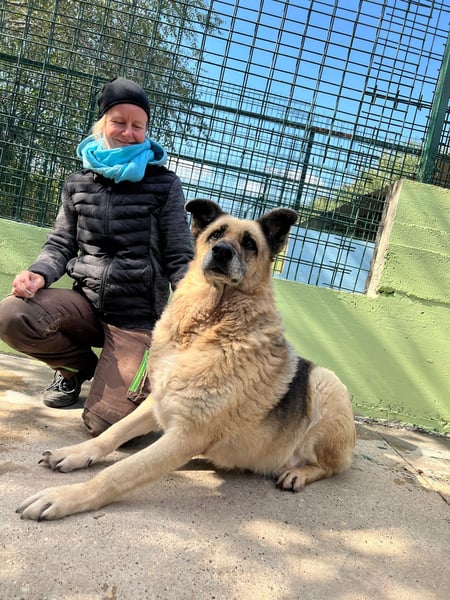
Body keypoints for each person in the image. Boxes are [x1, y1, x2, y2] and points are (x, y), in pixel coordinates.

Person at [0, 76, 194, 436]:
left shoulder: (164, 184)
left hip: (137, 319)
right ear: (102, 123)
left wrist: (192, 303)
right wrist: (38, 273)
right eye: (119, 122)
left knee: (108, 426)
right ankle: (76, 369)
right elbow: (61, 243)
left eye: (138, 125)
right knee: (12, 315)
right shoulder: (78, 183)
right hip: (85, 306)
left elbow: (180, 255)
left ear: (147, 130)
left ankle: (122, 370)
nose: (128, 132)